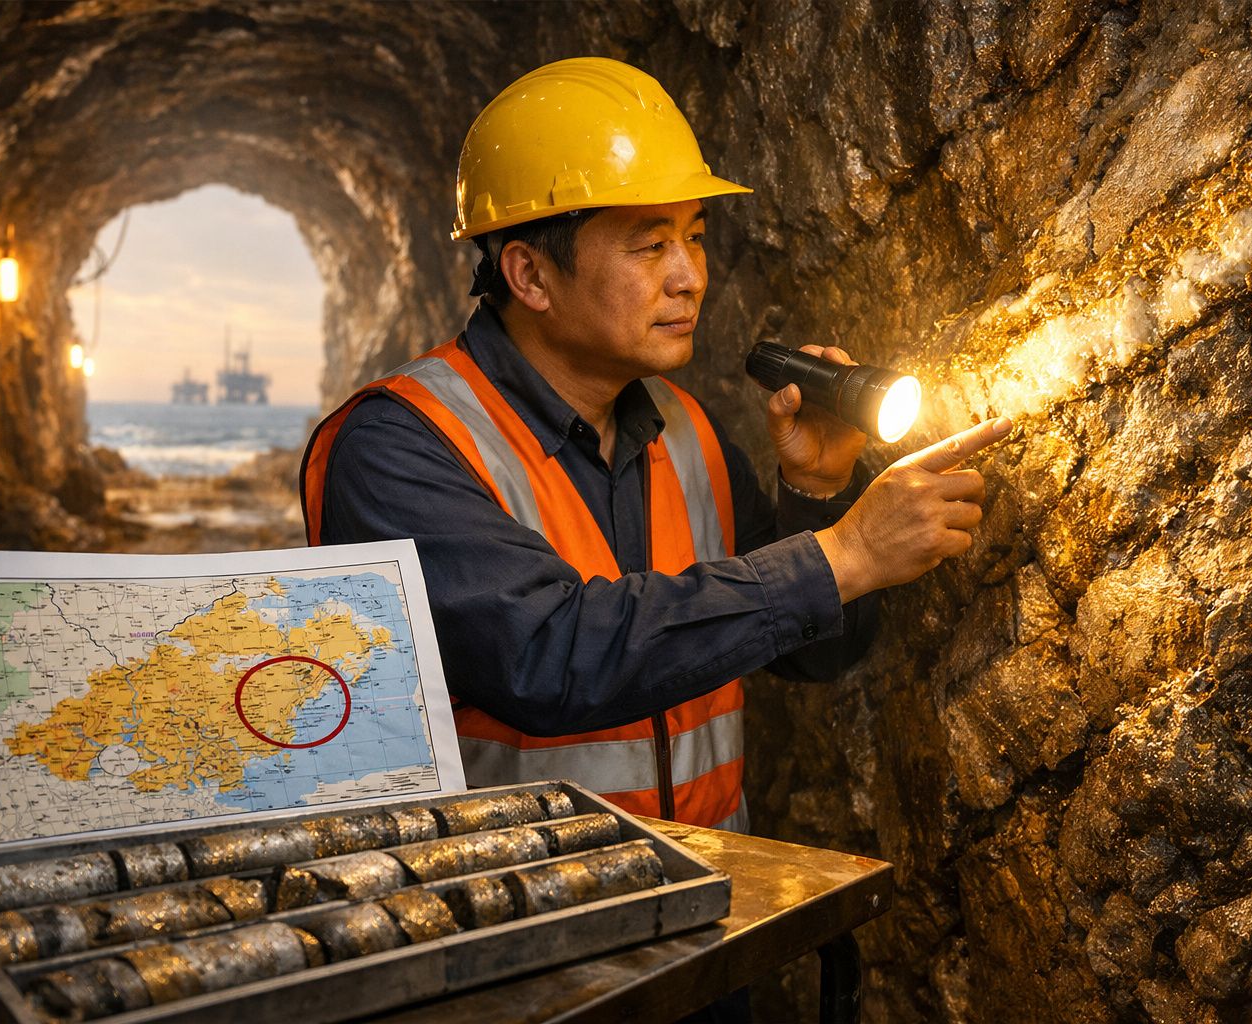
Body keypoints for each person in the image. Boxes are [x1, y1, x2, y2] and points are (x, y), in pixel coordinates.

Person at [301, 57, 1011, 833]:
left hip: (705, 889)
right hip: (512, 900)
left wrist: (816, 494)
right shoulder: (400, 446)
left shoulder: (686, 430)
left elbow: (811, 653)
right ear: (530, 276)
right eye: (649, 247)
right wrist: (847, 552)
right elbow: (549, 658)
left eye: (695, 237)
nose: (690, 278)